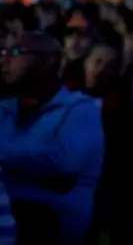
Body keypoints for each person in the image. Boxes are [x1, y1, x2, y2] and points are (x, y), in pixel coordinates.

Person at [0, 32, 104, 245]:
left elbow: (62, 163)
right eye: (3, 51)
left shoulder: (79, 108)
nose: (5, 59)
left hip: (53, 222)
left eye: (17, 51)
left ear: (50, 60)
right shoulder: (4, 108)